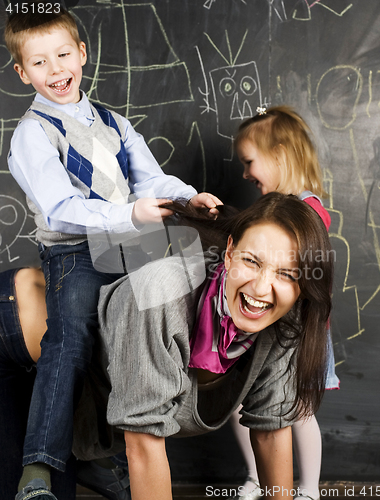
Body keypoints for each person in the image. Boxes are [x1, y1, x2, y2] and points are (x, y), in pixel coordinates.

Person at [4, 5, 221, 499]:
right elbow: (60, 210)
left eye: (63, 55)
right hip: (75, 254)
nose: (55, 70)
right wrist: (131, 215)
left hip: (132, 248)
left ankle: (108, 465)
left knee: (127, 353)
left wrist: (188, 196)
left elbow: (151, 178)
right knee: (70, 345)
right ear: (21, 72)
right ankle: (38, 468)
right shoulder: (33, 133)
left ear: (82, 53)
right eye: (39, 63)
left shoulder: (114, 123)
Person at [75, 192, 334, 500]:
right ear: (229, 252)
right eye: (251, 261)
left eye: (286, 273)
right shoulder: (159, 295)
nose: (262, 288)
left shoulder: (285, 315)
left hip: (105, 437)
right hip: (32, 373)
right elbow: (144, 444)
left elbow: (271, 429)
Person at [232, 105, 339, 500]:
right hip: (265, 326)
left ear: (278, 155)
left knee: (300, 412)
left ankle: (308, 489)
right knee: (242, 404)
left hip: (297, 332)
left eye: (249, 162)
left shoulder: (307, 210)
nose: (245, 174)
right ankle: (260, 477)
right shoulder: (270, 212)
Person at [0, 267, 131, 500]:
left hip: (31, 322)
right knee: (26, 479)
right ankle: (91, 465)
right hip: (13, 311)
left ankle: (90, 465)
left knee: (41, 482)